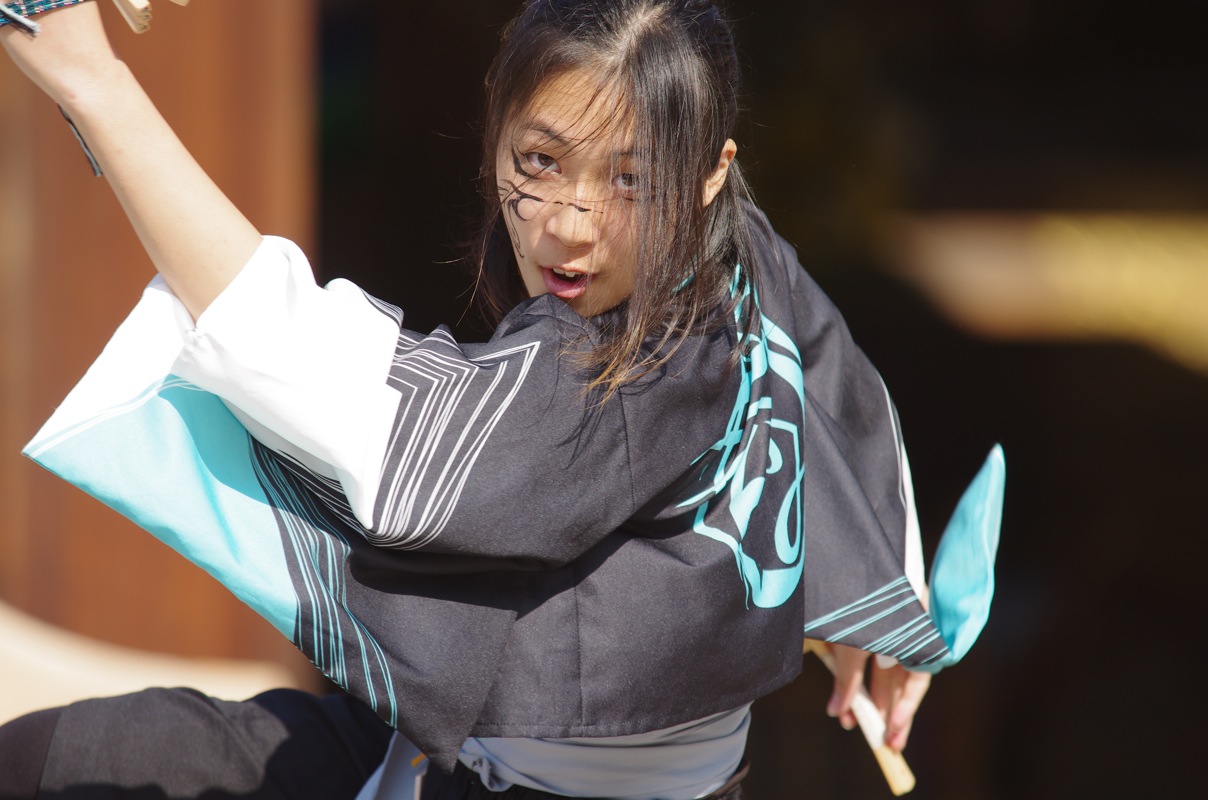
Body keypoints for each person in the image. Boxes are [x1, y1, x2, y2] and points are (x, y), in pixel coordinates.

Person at [0, 1, 991, 798]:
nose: (568, 221)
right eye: (539, 160)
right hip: (450, 744)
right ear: (493, 128)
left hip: (525, 778)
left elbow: (339, 389)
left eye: (628, 178)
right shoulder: (735, 254)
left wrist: (100, 86)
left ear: (704, 177)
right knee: (82, 752)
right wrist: (880, 601)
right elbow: (821, 362)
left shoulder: (625, 377)